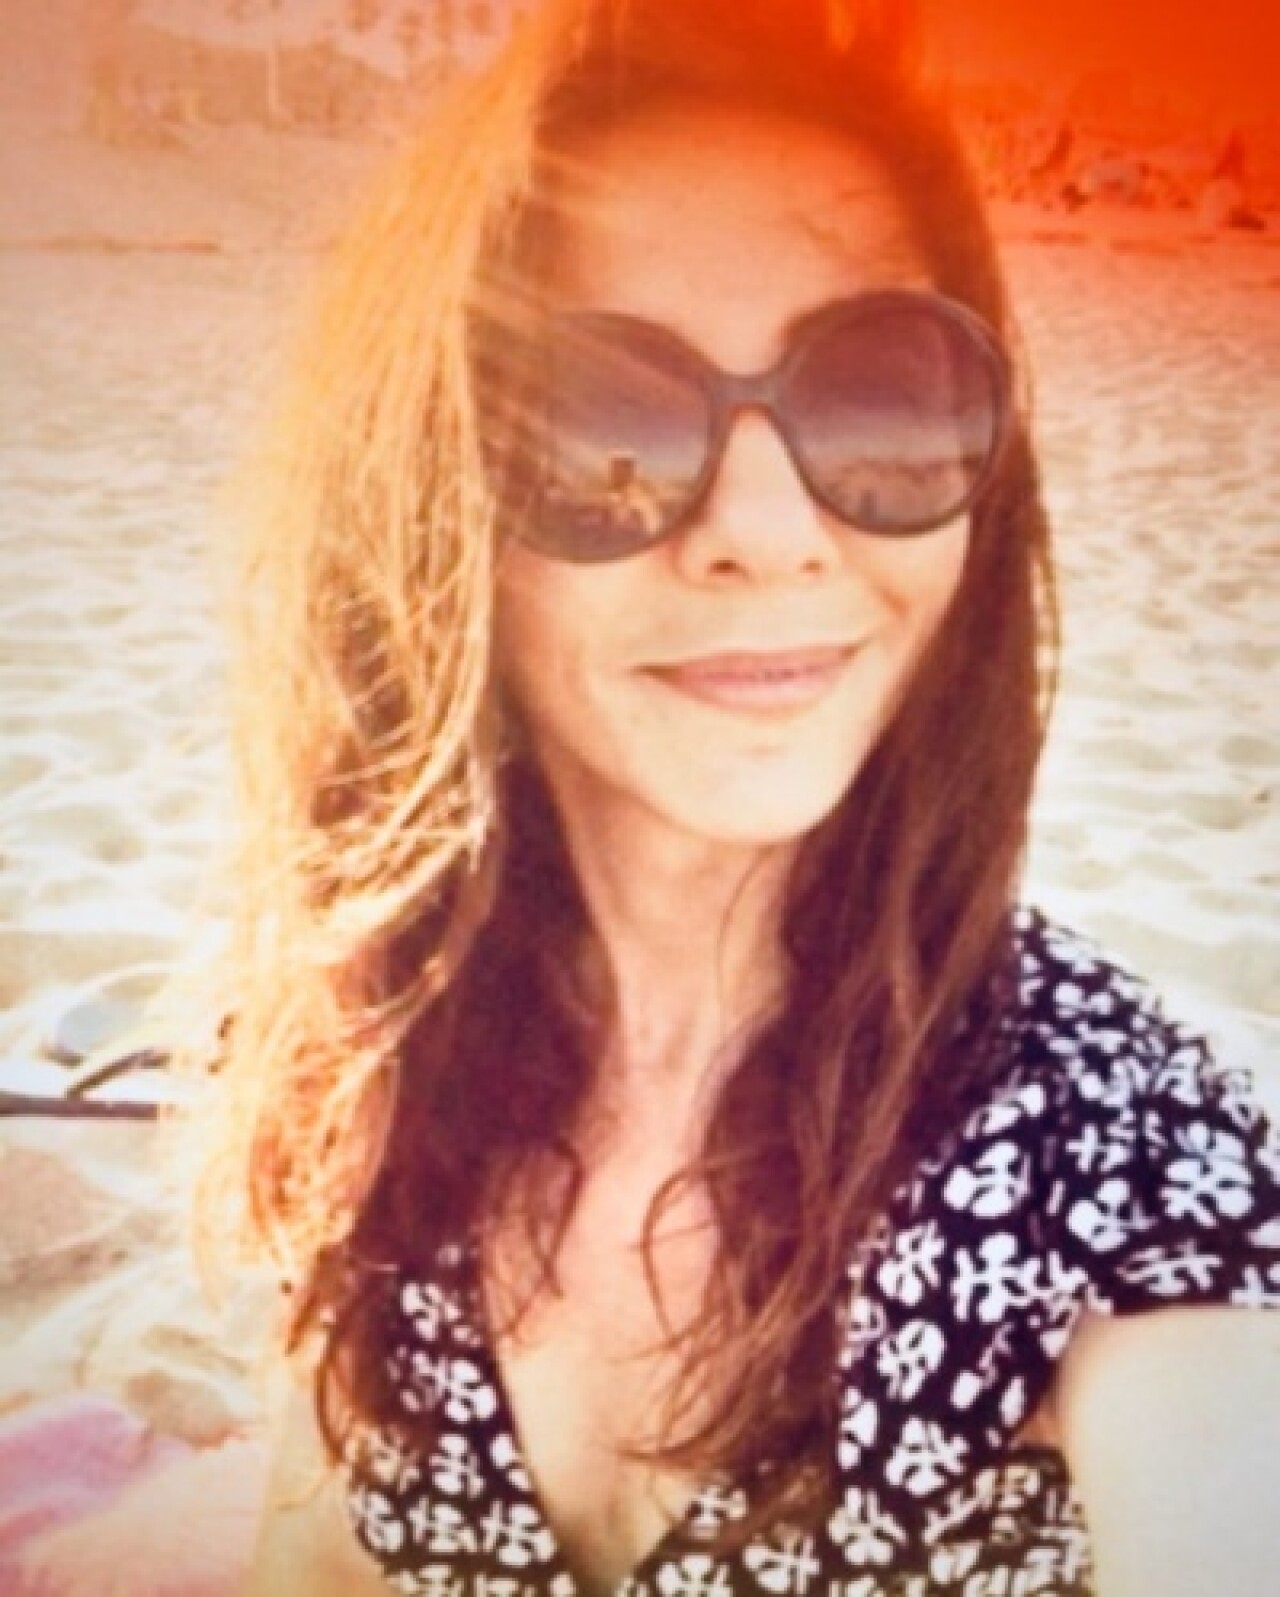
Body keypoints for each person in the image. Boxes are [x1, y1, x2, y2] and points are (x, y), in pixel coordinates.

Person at [212, 1, 1280, 1592]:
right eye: (601, 416)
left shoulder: (1111, 1147)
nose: (770, 532)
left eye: (884, 396)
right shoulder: (381, 1043)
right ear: (425, 490)